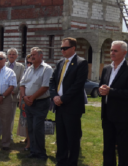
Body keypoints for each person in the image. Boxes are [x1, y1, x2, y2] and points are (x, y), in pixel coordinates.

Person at [99, 41, 128, 166]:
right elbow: (102, 87)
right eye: (111, 50)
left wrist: (111, 91)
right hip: (107, 115)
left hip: (123, 117)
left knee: (122, 150)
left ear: (124, 52)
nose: (112, 53)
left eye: (115, 50)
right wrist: (101, 91)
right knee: (108, 148)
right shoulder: (106, 68)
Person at [49, 37, 88, 166]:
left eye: (65, 48)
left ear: (73, 48)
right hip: (59, 106)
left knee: (72, 137)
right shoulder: (60, 63)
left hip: (72, 107)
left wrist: (63, 99)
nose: (62, 50)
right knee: (60, 136)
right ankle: (61, 160)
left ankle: (72, 162)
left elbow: (77, 85)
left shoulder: (81, 63)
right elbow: (52, 81)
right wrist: (54, 96)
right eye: (61, 48)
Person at [19, 47, 52, 160]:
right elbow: (22, 84)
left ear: (40, 56)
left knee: (38, 127)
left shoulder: (46, 69)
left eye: (34, 55)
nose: (32, 56)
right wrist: (24, 97)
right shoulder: (29, 69)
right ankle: (33, 151)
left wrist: (32, 97)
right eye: (31, 54)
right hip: (28, 103)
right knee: (31, 128)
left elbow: (45, 86)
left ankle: (41, 153)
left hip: (40, 102)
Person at [5, 48, 25, 141]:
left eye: (13, 54)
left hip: (13, 95)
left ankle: (9, 135)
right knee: (1, 115)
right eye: (10, 54)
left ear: (16, 56)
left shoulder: (20, 66)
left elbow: (21, 80)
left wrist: (14, 89)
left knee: (10, 116)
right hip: (3, 94)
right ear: (7, 55)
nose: (11, 55)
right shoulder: (3, 65)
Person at [18, 54, 32, 150]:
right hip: (24, 99)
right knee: (26, 122)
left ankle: (32, 141)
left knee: (33, 122)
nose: (29, 64)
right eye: (28, 62)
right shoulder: (26, 71)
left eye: (31, 62)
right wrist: (20, 100)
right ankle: (28, 139)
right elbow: (21, 85)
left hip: (35, 99)